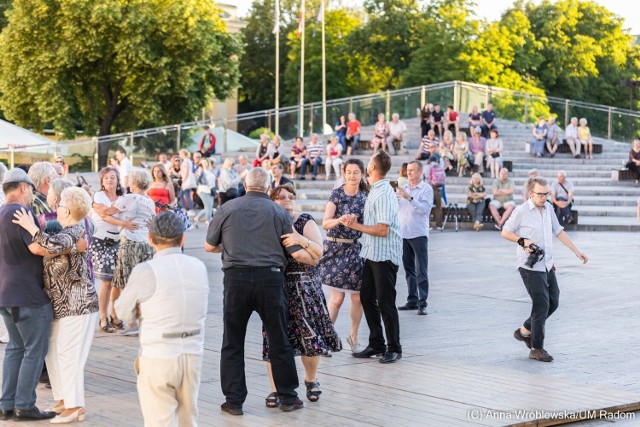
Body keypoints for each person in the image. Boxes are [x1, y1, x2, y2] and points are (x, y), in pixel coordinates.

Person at [205, 168, 303, 415]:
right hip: (270, 278)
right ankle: (288, 397)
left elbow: (209, 246)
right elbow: (290, 247)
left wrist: (232, 249)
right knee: (279, 338)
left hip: (236, 278)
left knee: (233, 341)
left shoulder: (227, 208)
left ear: (245, 184)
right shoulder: (278, 211)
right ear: (268, 186)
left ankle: (234, 401)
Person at [115, 212, 209, 427]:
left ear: (150, 239)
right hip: (193, 352)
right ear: (182, 238)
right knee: (188, 420)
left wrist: (139, 310)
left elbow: (121, 313)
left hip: (159, 354)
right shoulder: (199, 267)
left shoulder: (146, 270)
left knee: (159, 420)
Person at [13, 187, 98, 424]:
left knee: (69, 356)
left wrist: (31, 228)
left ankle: (75, 406)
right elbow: (54, 247)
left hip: (78, 305)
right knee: (52, 353)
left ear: (68, 210)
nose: (55, 209)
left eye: (59, 206)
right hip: (61, 307)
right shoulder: (67, 234)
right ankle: (63, 399)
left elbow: (51, 246)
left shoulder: (74, 230)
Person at [262, 185, 341, 408]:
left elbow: (318, 255)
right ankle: (275, 388)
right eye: (281, 198)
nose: (287, 200)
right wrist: (306, 253)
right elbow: (307, 257)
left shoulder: (304, 221)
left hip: (306, 285)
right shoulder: (270, 223)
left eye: (291, 197)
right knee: (273, 338)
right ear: (272, 202)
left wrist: (300, 239)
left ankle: (310, 379)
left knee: (310, 334)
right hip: (277, 284)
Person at [502, 176, 588, 362]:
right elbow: (505, 231)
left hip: (547, 264)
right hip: (529, 266)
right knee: (541, 305)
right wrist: (522, 241)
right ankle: (536, 348)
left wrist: (576, 251)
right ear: (530, 193)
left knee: (554, 301)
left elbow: (558, 231)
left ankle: (524, 331)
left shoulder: (548, 207)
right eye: (540, 194)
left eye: (546, 194)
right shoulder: (521, 211)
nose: (543, 197)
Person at [0, 168, 56, 421]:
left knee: (15, 348)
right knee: (34, 349)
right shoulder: (21, 212)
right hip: (28, 293)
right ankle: (25, 405)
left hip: (5, 291)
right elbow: (37, 248)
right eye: (31, 189)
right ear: (23, 188)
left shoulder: (0, 211)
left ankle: (6, 405)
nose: (33, 194)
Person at [342, 150, 403, 364]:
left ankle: (394, 347)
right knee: (367, 298)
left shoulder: (384, 192)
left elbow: (382, 229)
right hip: (371, 253)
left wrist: (355, 225)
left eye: (369, 163)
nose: (367, 165)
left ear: (372, 168)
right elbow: (375, 220)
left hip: (384, 255)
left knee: (386, 302)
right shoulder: (375, 190)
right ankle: (377, 342)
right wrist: (357, 218)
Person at [316, 159, 368, 354]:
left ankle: (353, 336)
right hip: (335, 249)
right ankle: (327, 338)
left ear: (362, 173)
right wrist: (340, 219)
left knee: (358, 298)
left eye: (356, 172)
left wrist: (356, 222)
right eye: (349, 172)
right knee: (336, 299)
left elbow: (368, 223)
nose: (352, 175)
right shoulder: (337, 194)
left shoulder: (365, 196)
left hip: (354, 250)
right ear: (344, 173)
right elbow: (326, 223)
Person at [96, 169, 156, 336]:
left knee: (127, 284)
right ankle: (133, 318)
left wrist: (94, 205)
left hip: (130, 243)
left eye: (129, 180)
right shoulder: (149, 201)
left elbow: (106, 213)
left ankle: (132, 321)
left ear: (135, 183)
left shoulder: (128, 198)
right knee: (137, 282)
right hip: (146, 245)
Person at [89, 167, 127, 333]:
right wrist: (123, 220)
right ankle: (103, 317)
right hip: (101, 240)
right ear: (102, 181)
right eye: (106, 178)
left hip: (118, 240)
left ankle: (114, 313)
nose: (110, 180)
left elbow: (111, 212)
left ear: (118, 180)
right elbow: (105, 216)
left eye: (113, 177)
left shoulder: (122, 197)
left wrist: (115, 210)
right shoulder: (99, 196)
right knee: (106, 280)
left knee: (118, 280)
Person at [396, 161, 433, 315]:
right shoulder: (403, 188)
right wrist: (395, 197)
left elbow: (425, 209)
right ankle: (412, 299)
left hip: (418, 234)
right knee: (409, 269)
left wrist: (410, 198)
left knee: (421, 269)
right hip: (403, 233)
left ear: (420, 172)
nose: (409, 173)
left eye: (412, 170)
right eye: (407, 170)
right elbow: (397, 209)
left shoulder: (426, 189)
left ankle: (422, 302)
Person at [27, 161, 57, 226]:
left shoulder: (41, 198)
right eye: (55, 177)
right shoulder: (34, 202)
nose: (57, 181)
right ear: (48, 180)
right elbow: (37, 232)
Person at [194, 158, 217, 224]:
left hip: (211, 190)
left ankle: (197, 218)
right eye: (203, 163)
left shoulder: (210, 171)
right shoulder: (200, 171)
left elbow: (213, 181)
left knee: (209, 207)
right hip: (203, 190)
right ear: (201, 164)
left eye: (206, 162)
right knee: (208, 207)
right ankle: (209, 222)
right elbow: (197, 181)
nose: (205, 164)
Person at [427, 155, 445, 230]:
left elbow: (427, 177)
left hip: (430, 188)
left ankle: (429, 225)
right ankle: (439, 225)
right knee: (438, 207)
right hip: (438, 188)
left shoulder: (428, 166)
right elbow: (444, 177)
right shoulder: (440, 167)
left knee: (428, 207)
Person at [178, 149, 196, 213]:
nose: (179, 155)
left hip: (186, 181)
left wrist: (183, 180)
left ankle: (184, 208)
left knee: (181, 195)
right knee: (187, 195)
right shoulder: (188, 161)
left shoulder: (185, 161)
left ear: (183, 154)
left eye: (180, 154)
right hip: (188, 181)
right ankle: (190, 209)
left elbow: (186, 171)